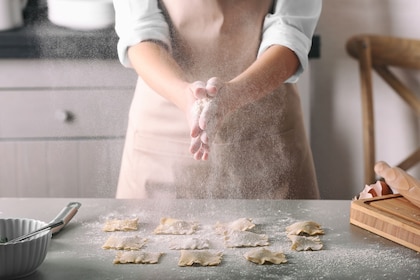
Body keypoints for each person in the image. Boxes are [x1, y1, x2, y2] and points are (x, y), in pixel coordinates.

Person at [113, 0, 321, 199]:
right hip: (162, 139)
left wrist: (234, 95)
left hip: (267, 138)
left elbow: (290, 35)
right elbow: (139, 33)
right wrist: (184, 95)